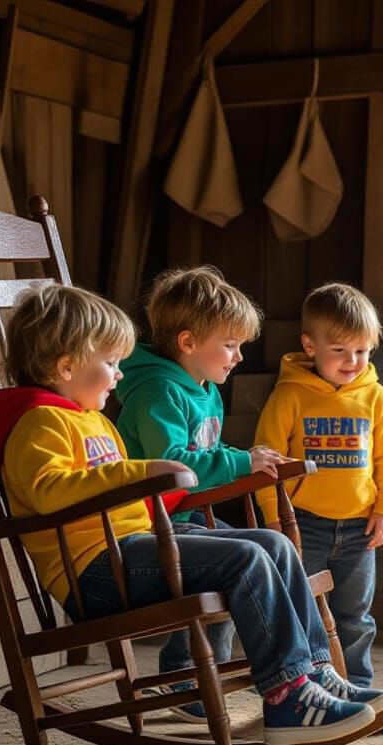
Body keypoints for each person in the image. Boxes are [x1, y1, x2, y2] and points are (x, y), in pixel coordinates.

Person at [0, 283, 383, 745]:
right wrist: (139, 471)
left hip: (130, 550)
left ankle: (313, 674)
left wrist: (136, 475)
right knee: (248, 561)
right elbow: (48, 493)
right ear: (66, 366)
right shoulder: (39, 421)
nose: (118, 375)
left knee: (271, 543)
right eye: (110, 363)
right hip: (95, 570)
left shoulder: (92, 419)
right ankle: (287, 695)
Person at [113, 266, 288, 721]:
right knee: (238, 563)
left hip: (180, 517)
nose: (238, 358)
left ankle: (297, 673)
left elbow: (206, 448)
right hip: (147, 522)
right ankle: (185, 670)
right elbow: (174, 460)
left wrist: (244, 455)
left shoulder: (204, 388)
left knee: (267, 548)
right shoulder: (157, 389)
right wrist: (238, 463)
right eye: (229, 346)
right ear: (188, 343)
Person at [253, 283, 383, 689]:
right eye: (339, 350)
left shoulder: (376, 398)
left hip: (359, 526)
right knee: (302, 607)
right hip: (304, 523)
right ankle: (308, 684)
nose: (352, 361)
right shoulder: (288, 396)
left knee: (355, 614)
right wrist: (275, 519)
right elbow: (266, 464)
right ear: (310, 345)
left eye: (362, 350)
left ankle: (356, 684)